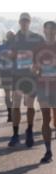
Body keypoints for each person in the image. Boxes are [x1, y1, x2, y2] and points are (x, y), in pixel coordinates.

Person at [9, 12, 45, 148]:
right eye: (22, 21)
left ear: (29, 23)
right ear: (19, 22)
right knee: (16, 104)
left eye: (26, 21)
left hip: (32, 76)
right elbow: (9, 56)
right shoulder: (14, 38)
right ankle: (15, 134)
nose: (24, 23)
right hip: (17, 75)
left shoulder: (37, 38)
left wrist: (38, 65)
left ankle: (29, 130)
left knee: (30, 104)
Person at [34, 20, 56, 164]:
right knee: (45, 118)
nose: (49, 32)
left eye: (52, 29)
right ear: (44, 31)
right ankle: (48, 151)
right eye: (47, 29)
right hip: (43, 86)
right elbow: (34, 67)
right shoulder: (39, 48)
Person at [0, 31, 17, 122]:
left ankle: (10, 112)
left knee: (8, 94)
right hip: (13, 73)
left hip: (6, 72)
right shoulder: (17, 46)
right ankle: (11, 111)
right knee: (12, 94)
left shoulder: (1, 47)